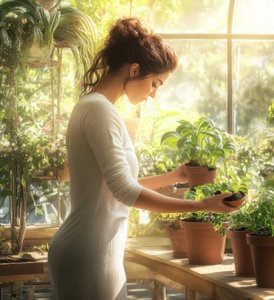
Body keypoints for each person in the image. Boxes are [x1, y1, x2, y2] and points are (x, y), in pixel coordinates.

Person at [48, 17, 239, 300]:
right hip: (89, 255)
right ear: (135, 69)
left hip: (97, 251)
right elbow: (125, 191)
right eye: (155, 83)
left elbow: (115, 185)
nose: (154, 94)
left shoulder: (96, 107)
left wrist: (175, 177)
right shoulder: (99, 110)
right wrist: (200, 205)